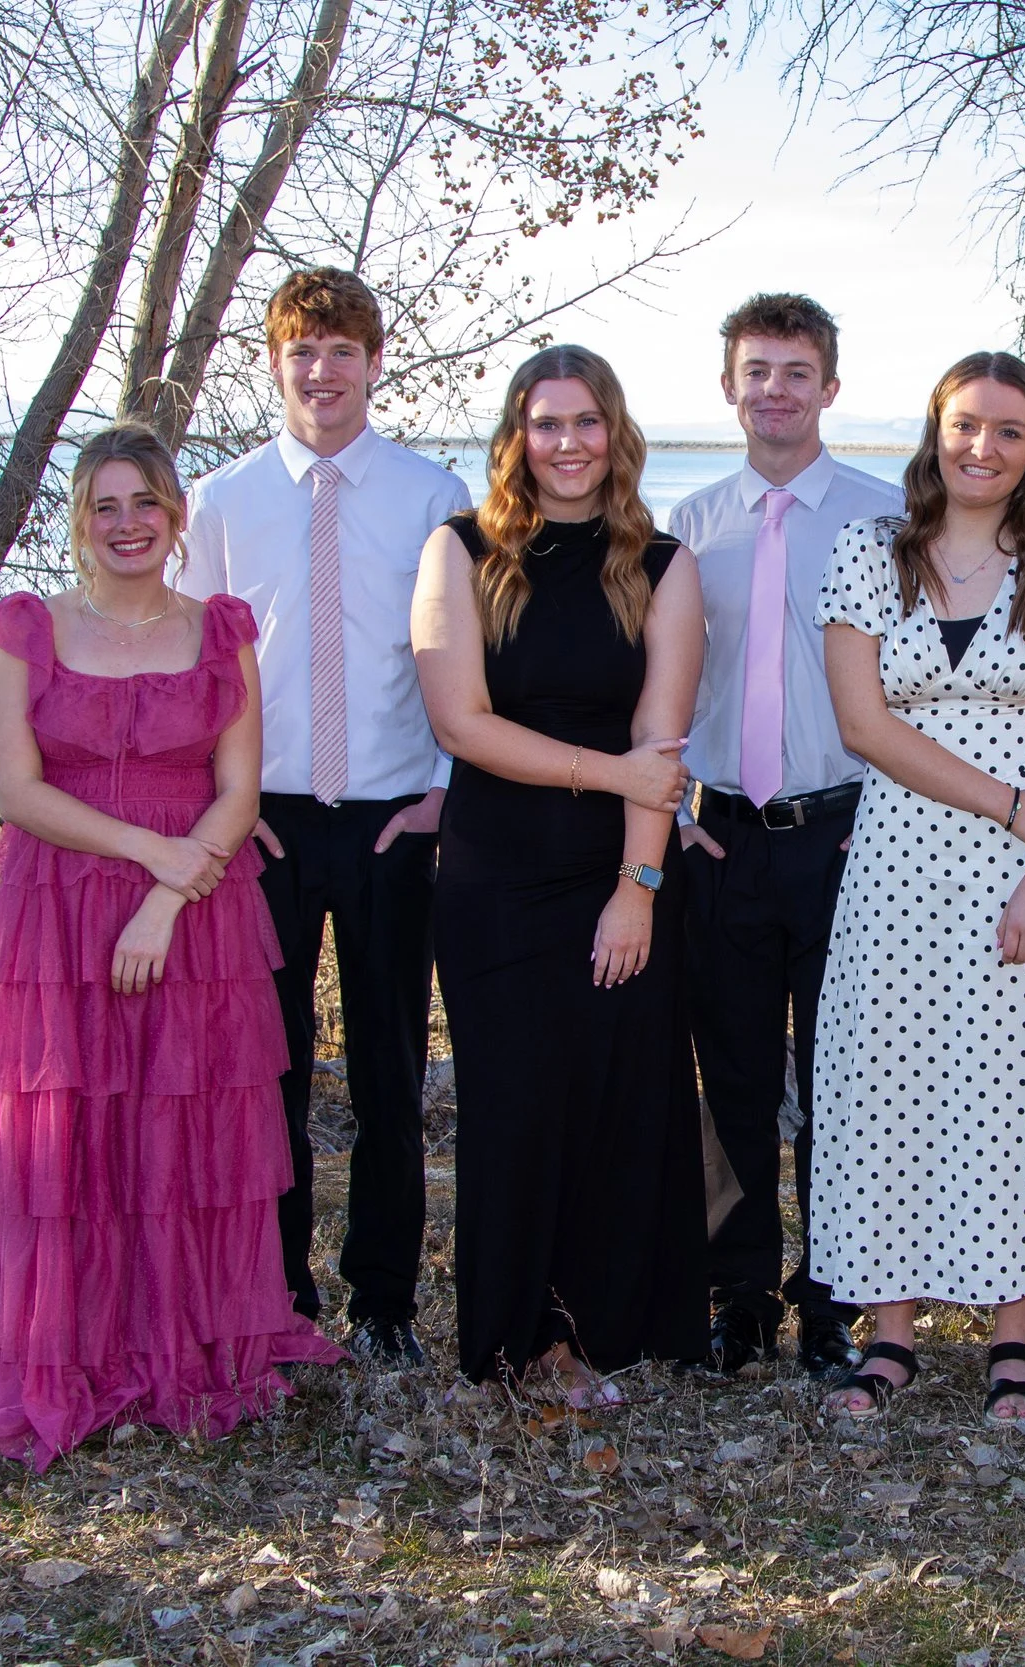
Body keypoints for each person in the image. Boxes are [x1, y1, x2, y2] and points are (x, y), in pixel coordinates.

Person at [0, 424, 342, 1470]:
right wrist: (148, 852)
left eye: (145, 502)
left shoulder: (221, 627)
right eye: (105, 506)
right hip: (59, 906)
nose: (127, 524)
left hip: (197, 909)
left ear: (176, 515)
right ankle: (72, 1351)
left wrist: (163, 895)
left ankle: (183, 1345)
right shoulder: (27, 627)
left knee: (181, 1126)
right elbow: (19, 794)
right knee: (68, 1132)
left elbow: (239, 793)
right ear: (79, 521)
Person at [811, 351, 1025, 1433]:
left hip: (1024, 871)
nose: (982, 447)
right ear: (933, 430)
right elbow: (864, 725)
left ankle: (1012, 1338)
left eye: (1009, 431)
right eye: (965, 424)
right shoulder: (865, 552)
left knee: (1019, 1089)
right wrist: (1011, 803)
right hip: (896, 867)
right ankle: (888, 1335)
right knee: (885, 1084)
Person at [178, 269, 472, 1368]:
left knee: (392, 1067)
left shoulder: (432, 492)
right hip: (268, 824)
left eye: (343, 349)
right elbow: (195, 665)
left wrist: (445, 786)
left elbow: (456, 654)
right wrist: (223, 799)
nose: (323, 370)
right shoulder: (222, 501)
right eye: (303, 350)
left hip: (397, 817)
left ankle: (385, 1297)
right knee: (273, 1067)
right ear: (275, 362)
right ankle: (280, 1288)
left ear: (374, 361)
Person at [414, 344, 709, 1402]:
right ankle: (509, 1338)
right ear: (517, 436)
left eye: (587, 422)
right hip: (495, 874)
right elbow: (462, 722)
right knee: (514, 1105)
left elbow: (660, 743)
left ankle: (590, 1335)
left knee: (614, 1103)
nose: (568, 443)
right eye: (547, 424)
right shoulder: (458, 551)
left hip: (615, 867)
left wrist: (639, 887)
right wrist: (604, 769)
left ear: (615, 433)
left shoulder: (662, 566)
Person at [667, 295, 904, 1378]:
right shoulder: (688, 522)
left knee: (849, 1080)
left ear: (830, 388)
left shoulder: (887, 516)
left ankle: (835, 1301)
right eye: (756, 369)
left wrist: (893, 818)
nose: (775, 389)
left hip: (850, 836)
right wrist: (672, 812)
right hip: (724, 839)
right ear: (726, 384)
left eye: (796, 371)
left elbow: (920, 688)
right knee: (737, 1081)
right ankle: (742, 1298)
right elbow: (659, 691)